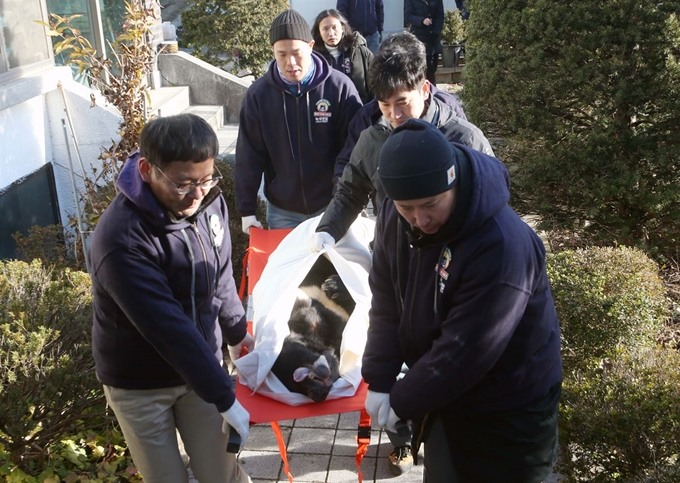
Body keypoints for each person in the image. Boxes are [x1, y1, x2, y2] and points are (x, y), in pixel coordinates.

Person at [363, 118, 563, 482]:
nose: (420, 220)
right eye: (407, 208)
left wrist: (404, 399)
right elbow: (387, 297)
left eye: (431, 205)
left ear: (452, 181)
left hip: (511, 407)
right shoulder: (396, 215)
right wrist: (379, 376)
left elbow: (466, 351)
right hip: (447, 393)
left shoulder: (502, 246)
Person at [89, 114, 254, 483]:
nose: (197, 194)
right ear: (148, 170)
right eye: (183, 184)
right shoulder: (122, 239)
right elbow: (167, 329)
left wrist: (237, 333)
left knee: (221, 473)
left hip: (201, 368)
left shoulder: (208, 199)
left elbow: (220, 272)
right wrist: (224, 396)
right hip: (140, 381)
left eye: (206, 178)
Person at [312, 32, 493, 254]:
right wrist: (328, 230)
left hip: (453, 259)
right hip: (393, 259)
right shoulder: (371, 139)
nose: (394, 115)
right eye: (384, 105)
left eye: (402, 103)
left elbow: (491, 204)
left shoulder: (465, 139)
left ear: (424, 90)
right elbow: (350, 192)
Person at [235, 9, 362, 233]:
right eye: (281, 54)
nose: (290, 62)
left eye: (297, 52)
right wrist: (246, 210)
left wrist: (351, 195)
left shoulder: (340, 87)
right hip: (282, 211)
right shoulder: (259, 95)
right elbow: (249, 153)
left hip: (332, 205)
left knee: (332, 268)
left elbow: (356, 148)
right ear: (272, 51)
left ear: (311, 46)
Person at [312, 9, 374, 103]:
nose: (331, 33)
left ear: (342, 28)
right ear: (319, 32)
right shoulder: (314, 57)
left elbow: (376, 85)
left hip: (359, 111)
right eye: (325, 29)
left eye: (334, 27)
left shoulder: (360, 52)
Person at [404, 0, 444, 85]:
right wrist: (422, 20)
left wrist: (436, 32)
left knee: (432, 69)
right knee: (419, 69)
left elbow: (440, 15)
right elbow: (408, 16)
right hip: (418, 37)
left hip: (433, 38)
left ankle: (432, 93)